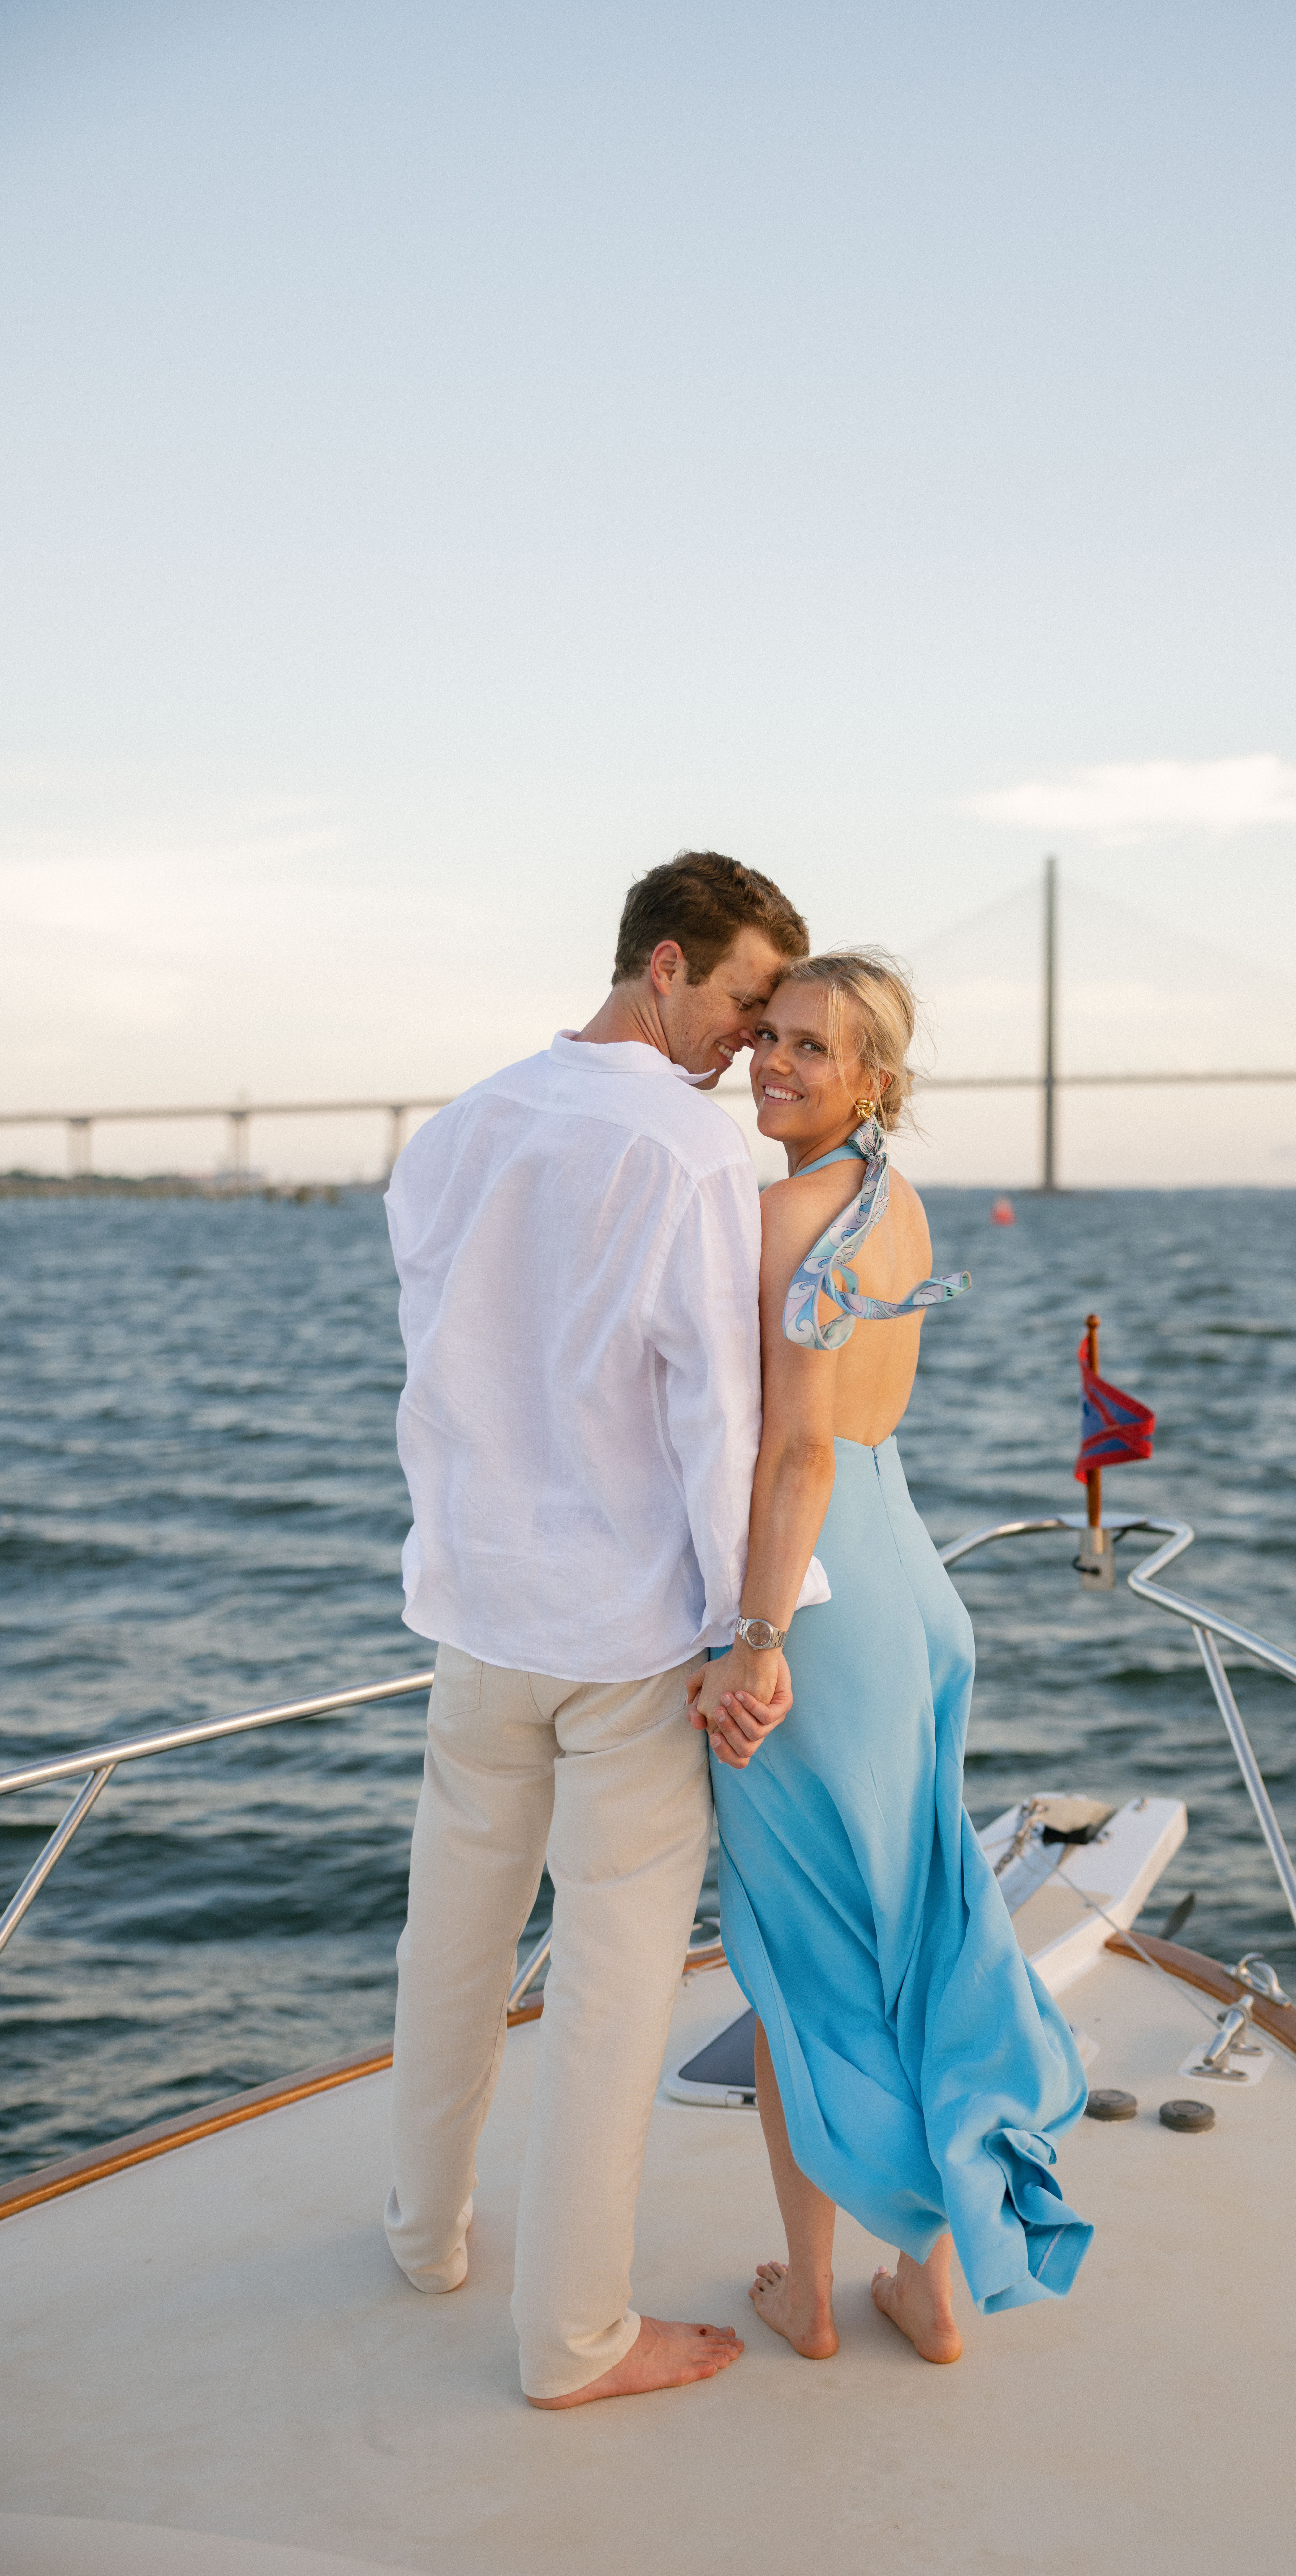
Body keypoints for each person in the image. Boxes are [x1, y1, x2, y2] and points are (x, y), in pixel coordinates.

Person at [382, 849, 809, 2408]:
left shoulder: (457, 1130)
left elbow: (439, 1368)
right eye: (750, 1002)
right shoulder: (692, 1157)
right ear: (668, 967)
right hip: (624, 1631)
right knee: (616, 1988)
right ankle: (573, 2342)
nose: (756, 1046)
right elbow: (716, 1416)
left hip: (480, 1613)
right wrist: (749, 1625)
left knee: (452, 1944)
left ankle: (425, 2238)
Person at [690, 952, 1091, 2367]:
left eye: (810, 1048)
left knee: (802, 1967)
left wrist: (755, 1640)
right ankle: (926, 2283)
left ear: (873, 1077)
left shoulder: (774, 1215)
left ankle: (808, 2296)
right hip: (909, 1585)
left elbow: (792, 1448)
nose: (774, 1064)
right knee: (911, 1937)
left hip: (819, 1606)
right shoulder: (895, 1204)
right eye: (768, 1039)